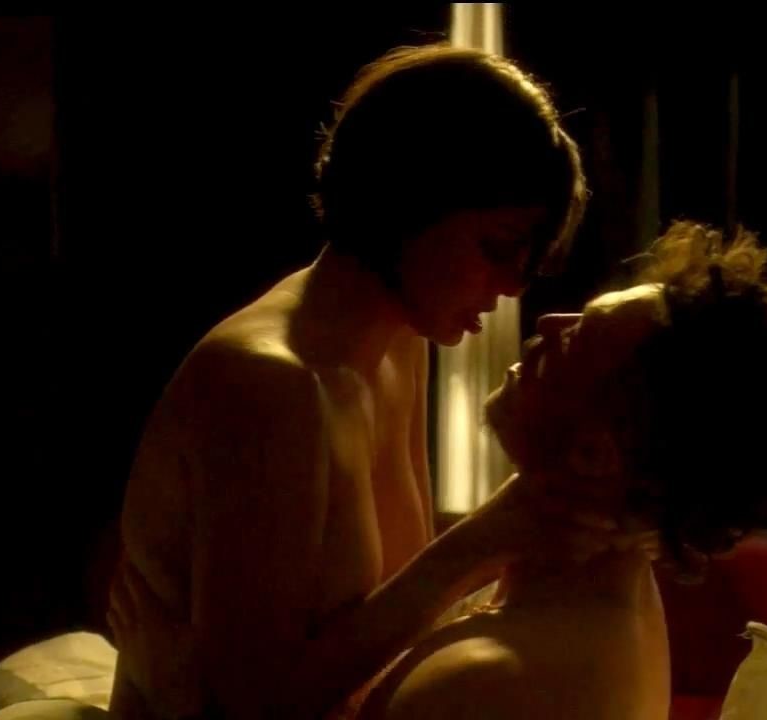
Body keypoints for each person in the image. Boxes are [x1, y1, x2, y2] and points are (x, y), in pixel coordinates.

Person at [105, 43, 617, 720]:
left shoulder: (402, 339)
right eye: (496, 247)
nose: (514, 285)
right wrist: (479, 541)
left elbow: (394, 620)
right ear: (408, 200)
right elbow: (251, 707)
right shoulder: (269, 383)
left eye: (528, 257)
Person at [351, 220, 767, 720]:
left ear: (595, 455)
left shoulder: (489, 680)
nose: (548, 322)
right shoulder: (606, 596)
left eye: (575, 338)